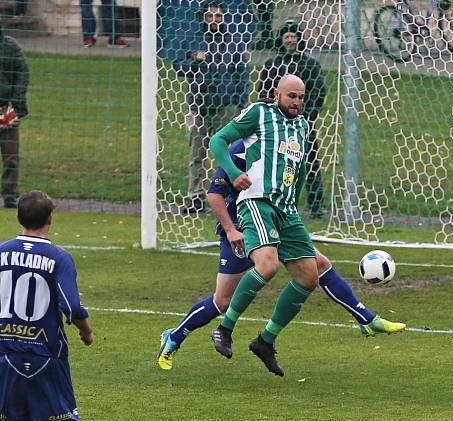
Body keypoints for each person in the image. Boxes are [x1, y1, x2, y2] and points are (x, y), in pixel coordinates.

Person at [157, 139, 405, 371]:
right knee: (222, 301)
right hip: (241, 231)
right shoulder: (241, 150)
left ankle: (366, 319)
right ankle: (174, 336)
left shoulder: (286, 147)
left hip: (273, 224)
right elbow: (214, 194)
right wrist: (231, 230)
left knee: (318, 265)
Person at [205, 75, 321, 376]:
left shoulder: (303, 126)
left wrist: (296, 202)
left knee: (310, 276)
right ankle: (225, 328)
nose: (296, 102)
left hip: (286, 209)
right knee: (267, 266)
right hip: (257, 201)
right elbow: (217, 140)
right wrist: (232, 172)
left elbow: (298, 170)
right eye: (291, 96)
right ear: (277, 94)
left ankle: (265, 340)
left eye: (300, 97)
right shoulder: (260, 113)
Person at [0, 191, 94, 421]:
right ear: (50, 218)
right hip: (47, 354)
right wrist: (87, 332)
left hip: (7, 353)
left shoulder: (1, 252)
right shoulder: (58, 258)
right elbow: (72, 306)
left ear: (18, 217)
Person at [168, 1, 251, 214]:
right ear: (204, 18)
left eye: (218, 16)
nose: (214, 19)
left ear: (223, 18)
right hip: (199, 105)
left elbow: (242, 74)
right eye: (210, 16)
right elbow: (179, 68)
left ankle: (226, 196)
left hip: (225, 107)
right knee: (196, 153)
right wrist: (195, 62)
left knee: (227, 154)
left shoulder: (234, 42)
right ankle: (195, 197)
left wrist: (239, 104)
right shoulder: (194, 41)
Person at [258, 21, 326, 218]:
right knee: (277, 163)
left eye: (293, 36)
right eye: (286, 36)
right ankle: (275, 201)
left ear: (299, 39)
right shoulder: (272, 65)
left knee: (310, 162)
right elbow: (263, 91)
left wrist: (305, 116)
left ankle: (315, 205)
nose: (289, 40)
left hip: (302, 124)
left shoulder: (310, 64)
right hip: (277, 126)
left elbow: (318, 92)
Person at [0, 25, 28, 209]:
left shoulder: (10, 45)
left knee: (11, 156)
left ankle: (10, 195)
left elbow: (23, 73)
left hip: (7, 109)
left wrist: (14, 103)